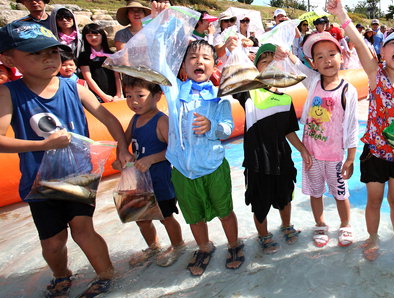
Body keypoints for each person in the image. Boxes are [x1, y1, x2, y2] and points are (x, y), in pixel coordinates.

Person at [0, 21, 132, 298]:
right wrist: (43, 146)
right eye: (34, 54)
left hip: (79, 175)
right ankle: (62, 275)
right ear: (8, 59)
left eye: (52, 52)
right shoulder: (10, 93)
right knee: (52, 241)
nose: (47, 59)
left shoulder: (74, 87)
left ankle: (106, 274)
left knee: (83, 228)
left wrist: (122, 147)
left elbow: (109, 117)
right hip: (40, 182)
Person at [326, 0, 394, 260]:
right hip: (375, 153)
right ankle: (372, 238)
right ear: (383, 50)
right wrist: (342, 16)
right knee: (374, 200)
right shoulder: (375, 75)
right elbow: (359, 45)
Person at [160, 38, 243, 276]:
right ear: (184, 66)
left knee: (225, 211)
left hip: (213, 166)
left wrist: (212, 125)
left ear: (214, 65)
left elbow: (227, 127)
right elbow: (160, 62)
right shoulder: (174, 92)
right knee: (193, 216)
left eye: (206, 58)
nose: (199, 61)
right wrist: (157, 21)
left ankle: (234, 244)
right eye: (193, 58)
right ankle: (204, 247)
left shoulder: (219, 96)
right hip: (183, 171)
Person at [232, 43, 309, 254]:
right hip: (257, 162)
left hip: (282, 158)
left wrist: (302, 150)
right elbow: (236, 78)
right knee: (259, 202)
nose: (269, 67)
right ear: (255, 69)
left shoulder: (286, 99)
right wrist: (235, 51)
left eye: (273, 63)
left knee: (285, 196)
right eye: (264, 63)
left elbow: (290, 131)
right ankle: (263, 234)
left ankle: (286, 225)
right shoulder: (249, 94)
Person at [290, 32, 359, 247]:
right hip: (312, 153)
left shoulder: (348, 90)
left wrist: (350, 157)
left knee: (340, 193)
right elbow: (298, 68)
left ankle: (345, 224)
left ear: (342, 56)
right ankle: (320, 224)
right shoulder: (313, 83)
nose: (326, 60)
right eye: (319, 57)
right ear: (313, 63)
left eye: (331, 54)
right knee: (315, 192)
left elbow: (352, 127)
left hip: (335, 155)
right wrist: (286, 55)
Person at [114, 76, 185, 268]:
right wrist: (120, 157)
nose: (133, 101)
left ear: (157, 96)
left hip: (160, 180)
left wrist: (151, 158)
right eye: (128, 96)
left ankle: (178, 245)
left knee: (165, 217)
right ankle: (153, 247)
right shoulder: (135, 119)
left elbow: (175, 150)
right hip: (140, 182)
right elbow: (124, 142)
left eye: (140, 95)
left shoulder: (161, 121)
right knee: (142, 218)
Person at [79, 23, 122, 103]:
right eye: (89, 35)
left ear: (102, 35)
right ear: (85, 37)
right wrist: (103, 96)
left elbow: (117, 76)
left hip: (114, 95)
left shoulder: (111, 54)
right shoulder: (84, 56)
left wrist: (118, 94)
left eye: (96, 34)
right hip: (95, 96)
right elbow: (88, 77)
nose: (93, 38)